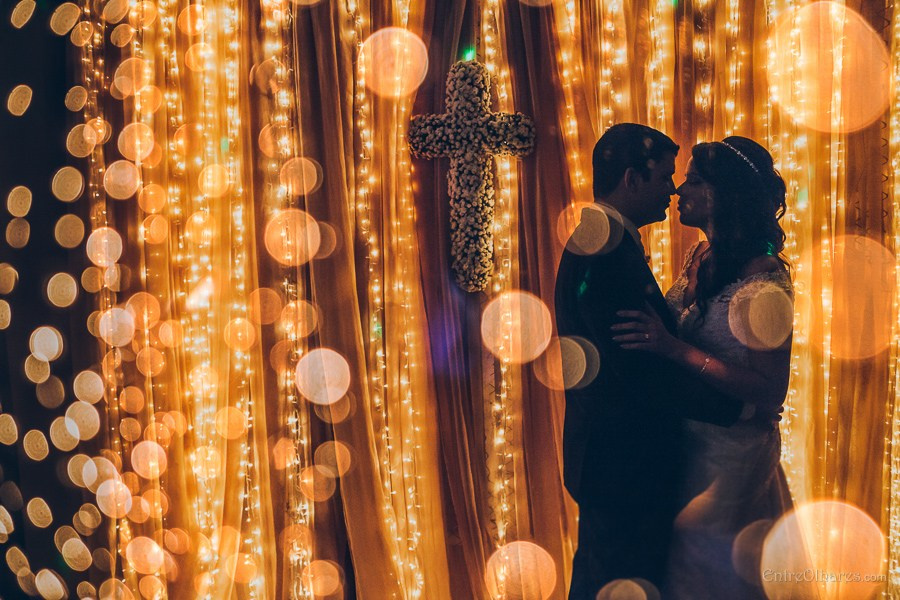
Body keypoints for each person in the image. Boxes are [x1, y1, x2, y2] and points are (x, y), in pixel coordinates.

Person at [554, 124, 770, 599]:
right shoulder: (607, 253)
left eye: (688, 180)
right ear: (632, 179)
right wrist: (735, 410)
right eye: (666, 176)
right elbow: (639, 373)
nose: (673, 189)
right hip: (626, 468)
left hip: (634, 463)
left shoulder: (608, 241)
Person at [611, 136, 794, 599]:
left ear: (723, 195)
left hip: (732, 455)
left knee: (710, 574)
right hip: (684, 441)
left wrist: (675, 351)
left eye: (692, 181)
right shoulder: (702, 256)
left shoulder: (764, 280)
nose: (678, 192)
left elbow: (771, 390)